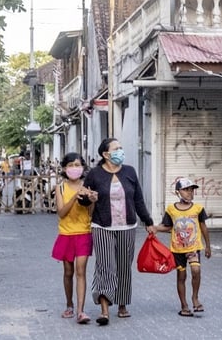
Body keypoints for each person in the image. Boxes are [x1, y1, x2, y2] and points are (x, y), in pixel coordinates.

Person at [83, 138, 155, 326]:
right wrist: (88, 198)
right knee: (106, 266)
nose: (121, 151)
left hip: (127, 227)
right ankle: (104, 310)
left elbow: (138, 199)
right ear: (106, 154)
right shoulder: (94, 174)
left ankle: (122, 303)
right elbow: (83, 199)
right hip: (102, 226)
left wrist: (148, 221)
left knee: (123, 267)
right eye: (117, 149)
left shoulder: (129, 171)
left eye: (121, 148)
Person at [153, 178, 211, 317]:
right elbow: (167, 226)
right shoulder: (171, 209)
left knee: (196, 270)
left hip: (193, 248)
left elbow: (203, 227)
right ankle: (184, 305)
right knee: (181, 276)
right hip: (177, 250)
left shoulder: (198, 209)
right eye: (186, 190)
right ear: (177, 192)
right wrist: (154, 228)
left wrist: (207, 245)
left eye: (191, 190)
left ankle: (195, 298)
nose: (189, 193)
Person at [52, 153, 96, 325]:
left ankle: (80, 311)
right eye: (70, 165)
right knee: (68, 272)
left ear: (83, 167)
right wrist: (74, 198)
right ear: (64, 168)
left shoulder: (88, 186)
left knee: (81, 271)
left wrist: (92, 200)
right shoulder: (60, 188)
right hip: (66, 234)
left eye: (77, 164)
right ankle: (69, 304)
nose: (74, 168)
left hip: (84, 233)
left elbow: (91, 213)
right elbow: (61, 213)